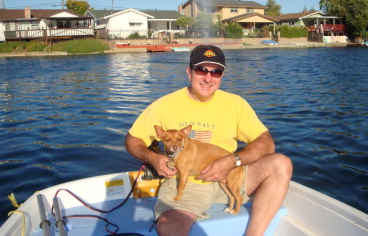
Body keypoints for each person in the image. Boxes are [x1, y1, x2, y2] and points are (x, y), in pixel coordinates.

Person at [125, 45, 292, 236]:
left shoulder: (236, 104)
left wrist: (232, 161)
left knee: (281, 163)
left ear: (222, 75)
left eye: (216, 72)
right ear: (189, 72)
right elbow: (132, 140)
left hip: (230, 174)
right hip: (188, 182)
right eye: (201, 70)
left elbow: (267, 143)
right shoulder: (163, 105)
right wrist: (154, 159)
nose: (208, 78)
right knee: (169, 226)